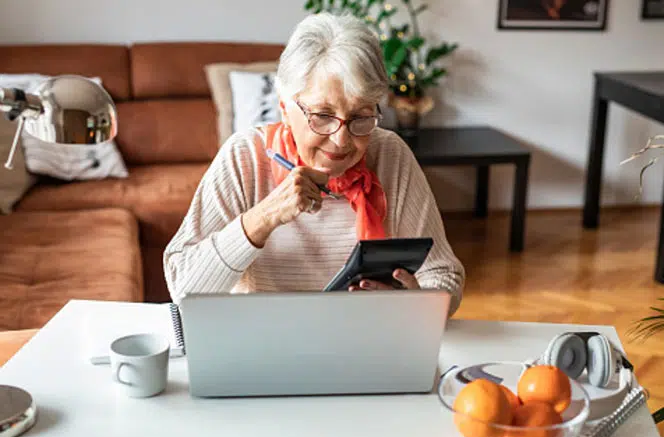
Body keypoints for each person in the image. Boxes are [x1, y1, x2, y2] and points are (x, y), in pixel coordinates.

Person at [163, 12, 465, 316]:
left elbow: (444, 274)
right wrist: (262, 219)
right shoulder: (243, 157)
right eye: (322, 116)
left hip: (365, 340)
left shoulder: (390, 155)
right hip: (267, 341)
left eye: (360, 117)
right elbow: (182, 288)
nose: (341, 140)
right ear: (284, 108)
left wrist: (418, 302)